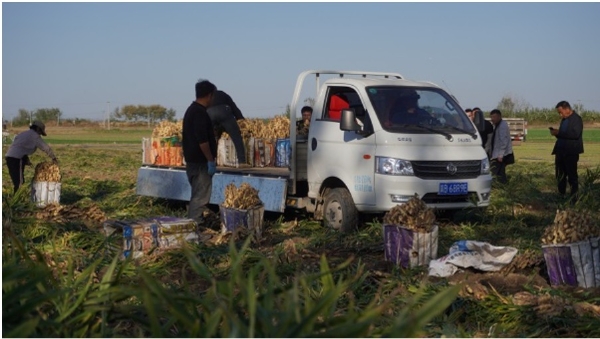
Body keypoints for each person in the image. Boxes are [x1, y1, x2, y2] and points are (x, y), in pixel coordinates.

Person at [182, 79, 218, 224]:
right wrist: (210, 159)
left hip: (192, 161)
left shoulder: (191, 110)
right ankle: (193, 227)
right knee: (200, 197)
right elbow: (202, 140)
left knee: (197, 195)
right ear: (209, 95)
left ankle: (196, 223)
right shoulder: (199, 113)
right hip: (199, 163)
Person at [5, 121, 58, 192]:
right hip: (17, 159)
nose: (40, 134)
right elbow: (45, 148)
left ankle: (17, 198)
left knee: (17, 180)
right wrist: (53, 158)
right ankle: (17, 200)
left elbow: (20, 148)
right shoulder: (35, 136)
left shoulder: (23, 134)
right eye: (40, 132)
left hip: (9, 157)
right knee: (19, 182)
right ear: (38, 129)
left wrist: (26, 160)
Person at [550, 100, 584, 200]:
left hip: (571, 152)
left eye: (561, 112)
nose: (560, 115)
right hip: (560, 152)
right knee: (560, 176)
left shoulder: (577, 119)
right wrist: (556, 133)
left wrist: (559, 133)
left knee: (572, 176)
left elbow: (575, 134)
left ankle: (574, 198)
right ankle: (561, 196)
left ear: (567, 109)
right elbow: (563, 136)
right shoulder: (564, 120)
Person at [207, 90, 249, 167]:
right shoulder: (223, 94)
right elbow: (233, 107)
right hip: (224, 112)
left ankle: (211, 162)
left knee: (212, 139)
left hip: (210, 113)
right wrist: (240, 118)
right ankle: (242, 162)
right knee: (236, 137)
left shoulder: (207, 96)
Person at [489, 109, 513, 184]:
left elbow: (504, 141)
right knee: (501, 172)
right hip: (498, 153)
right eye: (491, 117)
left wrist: (500, 155)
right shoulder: (497, 125)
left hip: (500, 154)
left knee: (493, 171)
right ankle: (503, 184)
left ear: (499, 117)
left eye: (494, 117)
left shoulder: (502, 126)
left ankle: (493, 185)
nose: (492, 119)